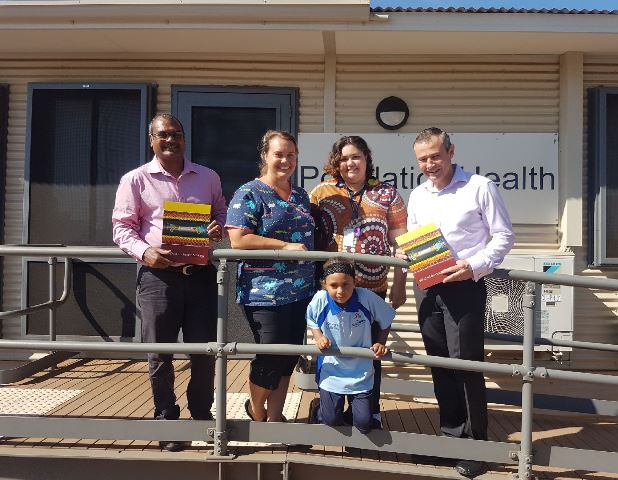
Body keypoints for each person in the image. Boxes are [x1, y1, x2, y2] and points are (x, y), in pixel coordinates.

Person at [400, 127, 514, 478]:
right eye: (423, 159)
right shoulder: (418, 194)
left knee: (466, 366)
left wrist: (474, 265)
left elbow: (504, 235)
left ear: (451, 151)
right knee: (439, 366)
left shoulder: (480, 187)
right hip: (428, 286)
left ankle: (474, 447)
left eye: (435, 156)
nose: (430, 164)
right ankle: (451, 441)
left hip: (466, 287)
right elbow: (415, 237)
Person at [112, 113, 227, 452]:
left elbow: (220, 212)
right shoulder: (134, 180)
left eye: (176, 134)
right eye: (163, 134)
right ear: (152, 140)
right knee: (159, 354)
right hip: (157, 278)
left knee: (205, 353)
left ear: (184, 138)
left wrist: (216, 228)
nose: (170, 140)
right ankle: (166, 419)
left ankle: (203, 416)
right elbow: (121, 228)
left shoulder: (207, 176)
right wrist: (144, 252)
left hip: (199, 275)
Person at [309, 135, 407, 429]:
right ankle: (327, 404)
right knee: (332, 350)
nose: (350, 163)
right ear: (336, 162)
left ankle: (369, 409)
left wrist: (402, 282)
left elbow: (400, 242)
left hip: (372, 290)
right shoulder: (321, 193)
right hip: (333, 292)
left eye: (356, 157)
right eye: (344, 158)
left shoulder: (387, 194)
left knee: (371, 351)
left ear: (367, 159)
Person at [225, 130, 315, 423]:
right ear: (265, 156)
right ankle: (257, 410)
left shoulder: (301, 194)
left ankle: (276, 418)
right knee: (269, 354)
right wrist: (284, 246)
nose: (285, 160)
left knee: (288, 356)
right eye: (279, 154)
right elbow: (238, 239)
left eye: (291, 154)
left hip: (301, 291)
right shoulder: (249, 192)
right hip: (263, 292)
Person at [306, 258, 394, 434]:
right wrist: (319, 337)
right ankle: (319, 409)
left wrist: (380, 343)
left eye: (346, 284)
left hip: (360, 370)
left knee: (363, 424)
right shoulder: (320, 299)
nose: (340, 291)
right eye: (334, 286)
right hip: (332, 368)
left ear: (355, 282)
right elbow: (312, 320)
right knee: (330, 420)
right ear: (324, 285)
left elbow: (386, 319)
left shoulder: (366, 298)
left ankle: (353, 412)